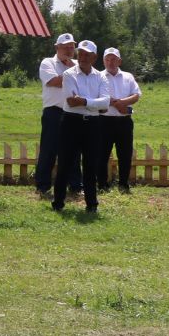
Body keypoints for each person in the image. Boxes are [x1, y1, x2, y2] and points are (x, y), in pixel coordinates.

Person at [55, 40, 109, 213]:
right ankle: (58, 203)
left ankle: (91, 204)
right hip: (71, 121)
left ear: (94, 57)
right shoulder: (69, 74)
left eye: (87, 55)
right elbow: (71, 102)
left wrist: (84, 101)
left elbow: (106, 103)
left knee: (90, 164)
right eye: (81, 53)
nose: (83, 57)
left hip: (92, 124)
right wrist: (94, 103)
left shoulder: (101, 76)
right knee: (65, 162)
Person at [33, 33, 77, 196]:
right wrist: (72, 75)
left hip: (73, 112)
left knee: (73, 151)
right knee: (49, 150)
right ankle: (43, 186)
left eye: (71, 47)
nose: (69, 50)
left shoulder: (78, 65)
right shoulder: (48, 62)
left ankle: (75, 186)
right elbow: (53, 82)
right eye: (65, 47)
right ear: (57, 47)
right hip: (54, 111)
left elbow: (85, 84)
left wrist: (70, 72)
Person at [99, 47, 141, 193]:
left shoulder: (128, 76)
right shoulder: (98, 76)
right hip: (104, 121)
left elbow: (136, 95)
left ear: (119, 61)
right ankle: (102, 184)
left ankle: (123, 183)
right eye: (107, 59)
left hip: (124, 121)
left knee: (125, 154)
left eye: (113, 59)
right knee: (102, 153)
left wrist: (121, 103)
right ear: (103, 60)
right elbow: (96, 96)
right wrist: (117, 103)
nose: (110, 62)